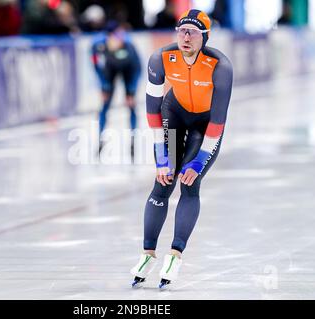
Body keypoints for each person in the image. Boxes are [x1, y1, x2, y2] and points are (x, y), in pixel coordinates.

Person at [130, 9, 233, 289]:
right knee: (162, 180)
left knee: (189, 181)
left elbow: (218, 121)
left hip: (205, 125)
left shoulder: (220, 66)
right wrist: (162, 156)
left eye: (193, 32)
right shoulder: (161, 57)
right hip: (172, 114)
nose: (186, 37)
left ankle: (175, 253)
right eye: (182, 30)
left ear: (205, 37)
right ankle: (147, 253)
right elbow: (152, 113)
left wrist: (199, 161)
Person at [90, 20, 141, 160]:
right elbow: (97, 67)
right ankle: (100, 140)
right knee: (105, 105)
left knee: (131, 106)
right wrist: (104, 86)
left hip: (128, 70)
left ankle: (133, 141)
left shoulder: (129, 46)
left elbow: (137, 69)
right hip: (109, 71)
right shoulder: (98, 46)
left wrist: (131, 91)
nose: (118, 40)